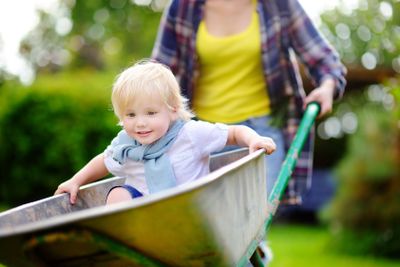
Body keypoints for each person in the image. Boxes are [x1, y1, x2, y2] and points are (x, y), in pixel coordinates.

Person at [151, 0, 347, 199]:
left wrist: (328, 86)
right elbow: (155, 75)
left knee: (251, 224)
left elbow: (324, 59)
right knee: (208, 224)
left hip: (261, 134)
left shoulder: (279, 5)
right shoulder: (183, 7)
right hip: (201, 135)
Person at [55, 60, 276, 205]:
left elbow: (234, 132)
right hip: (143, 214)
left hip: (192, 209)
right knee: (117, 194)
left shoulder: (190, 134)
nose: (140, 123)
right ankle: (130, 241)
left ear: (172, 110)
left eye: (150, 113)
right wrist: (76, 180)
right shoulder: (126, 144)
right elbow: (104, 161)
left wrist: (253, 139)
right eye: (130, 115)